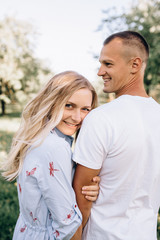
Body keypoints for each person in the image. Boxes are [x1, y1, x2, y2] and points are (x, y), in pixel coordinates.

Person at [73, 31, 160, 240]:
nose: (100, 71)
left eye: (108, 64)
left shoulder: (100, 119)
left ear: (135, 65)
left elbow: (80, 199)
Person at [1, 71, 100, 240]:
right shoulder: (54, 147)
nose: (77, 117)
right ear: (52, 103)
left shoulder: (40, 137)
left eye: (85, 109)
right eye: (69, 105)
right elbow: (67, 224)